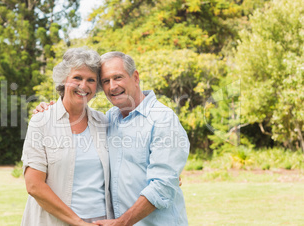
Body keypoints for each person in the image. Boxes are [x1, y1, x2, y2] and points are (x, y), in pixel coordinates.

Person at [35, 51, 189, 225]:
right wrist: (53, 110)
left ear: (135, 77)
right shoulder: (108, 119)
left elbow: (162, 186)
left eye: (118, 77)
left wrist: (122, 222)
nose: (112, 86)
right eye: (106, 81)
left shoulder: (163, 119)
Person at [21, 48, 113, 226]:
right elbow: (34, 185)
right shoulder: (42, 121)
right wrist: (79, 222)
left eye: (91, 80)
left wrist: (163, 172)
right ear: (64, 80)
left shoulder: (104, 122)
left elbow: (128, 160)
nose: (83, 86)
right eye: (77, 78)